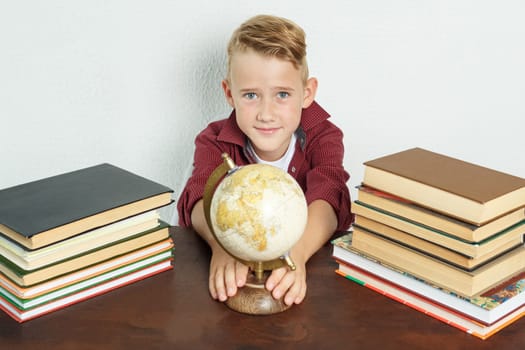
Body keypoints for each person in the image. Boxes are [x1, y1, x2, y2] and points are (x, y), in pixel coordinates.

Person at [177, 14, 353, 307]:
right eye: (250, 95)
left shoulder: (324, 136)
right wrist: (223, 247)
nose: (266, 113)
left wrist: (296, 253)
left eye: (282, 94)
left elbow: (329, 195)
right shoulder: (213, 140)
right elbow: (198, 197)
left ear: (307, 93)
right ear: (229, 94)